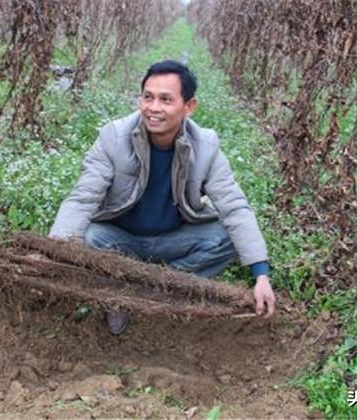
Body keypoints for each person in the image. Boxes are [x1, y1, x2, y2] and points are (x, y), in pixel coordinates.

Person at [49, 60, 275, 334]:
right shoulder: (114, 138)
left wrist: (261, 274)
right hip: (119, 238)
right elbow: (83, 197)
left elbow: (235, 208)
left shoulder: (205, 147)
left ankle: (154, 289)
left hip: (173, 239)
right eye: (148, 97)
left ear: (188, 107)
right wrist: (55, 253)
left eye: (166, 100)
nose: (154, 108)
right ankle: (120, 292)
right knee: (88, 236)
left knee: (225, 238)